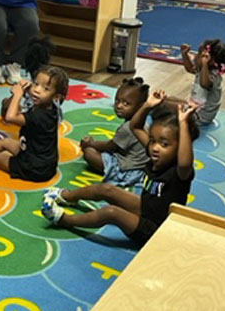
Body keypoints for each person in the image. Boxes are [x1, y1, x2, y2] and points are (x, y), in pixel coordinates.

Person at [41, 89, 200, 247]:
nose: (155, 147)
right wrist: (147, 105)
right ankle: (67, 196)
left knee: (111, 213)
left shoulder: (180, 170)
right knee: (106, 189)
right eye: (152, 141)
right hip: (146, 208)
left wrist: (183, 123)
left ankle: (66, 221)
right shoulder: (154, 154)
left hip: (156, 229)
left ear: (180, 147)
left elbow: (185, 162)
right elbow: (135, 126)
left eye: (164, 144)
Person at [78, 77, 150, 187]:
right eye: (117, 101)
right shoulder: (143, 121)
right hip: (138, 165)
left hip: (129, 170)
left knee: (89, 152)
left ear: (140, 106)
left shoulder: (128, 128)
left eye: (126, 104)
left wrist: (91, 143)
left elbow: (110, 146)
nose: (119, 106)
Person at [180, 39, 225, 125]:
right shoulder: (204, 70)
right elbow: (189, 68)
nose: (195, 57)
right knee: (169, 99)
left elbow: (205, 84)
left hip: (201, 116)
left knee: (166, 106)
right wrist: (184, 54)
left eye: (198, 54)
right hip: (194, 107)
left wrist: (204, 64)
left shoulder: (213, 76)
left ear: (208, 60)